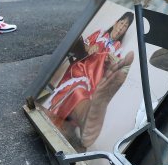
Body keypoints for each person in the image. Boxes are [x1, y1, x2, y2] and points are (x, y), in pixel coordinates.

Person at [44, 12, 136, 149]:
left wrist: (110, 60)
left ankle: (83, 118)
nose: (121, 28)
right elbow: (84, 45)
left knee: (84, 92)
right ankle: (82, 119)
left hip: (95, 78)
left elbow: (111, 65)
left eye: (125, 26)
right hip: (81, 68)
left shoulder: (117, 48)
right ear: (116, 22)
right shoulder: (99, 34)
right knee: (79, 88)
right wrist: (90, 48)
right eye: (121, 23)